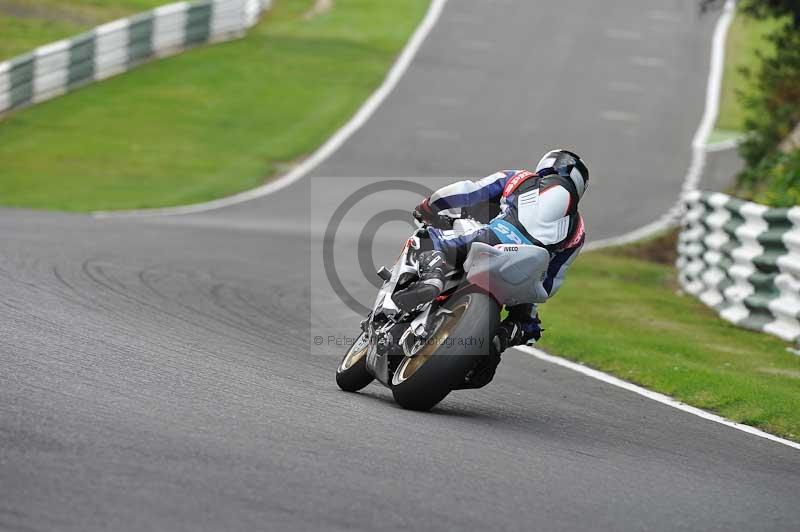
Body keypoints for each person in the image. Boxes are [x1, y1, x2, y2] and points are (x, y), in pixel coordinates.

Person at [392, 149, 589, 387]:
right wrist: (530, 301)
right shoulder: (578, 229)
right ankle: (497, 341)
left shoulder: (522, 178)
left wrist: (429, 206)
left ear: (546, 164)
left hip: (497, 237)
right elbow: (553, 281)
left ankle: (433, 277)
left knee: (427, 238)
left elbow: (468, 191)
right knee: (528, 326)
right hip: (529, 274)